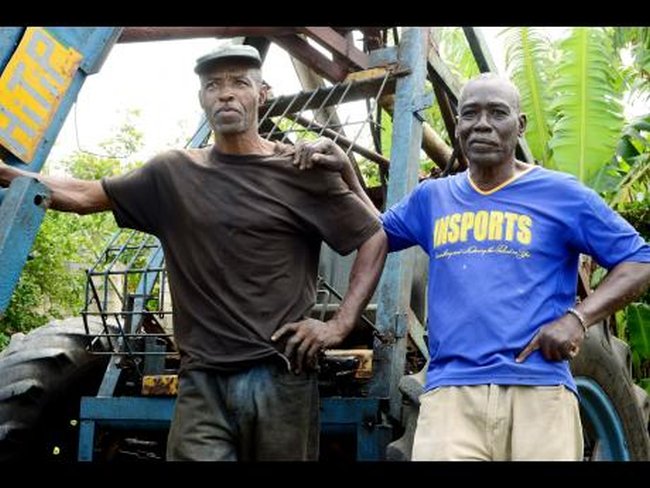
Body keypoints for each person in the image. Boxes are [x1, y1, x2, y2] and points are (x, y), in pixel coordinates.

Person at [0, 44, 388, 461]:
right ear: (201, 97)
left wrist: (339, 324)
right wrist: (7, 172)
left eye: (239, 83)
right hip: (201, 381)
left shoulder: (299, 171)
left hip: (281, 377)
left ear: (262, 94)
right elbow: (81, 194)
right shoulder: (172, 174)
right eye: (212, 85)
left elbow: (374, 236)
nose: (225, 94)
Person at [296, 73, 650, 461]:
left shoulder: (562, 194)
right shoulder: (433, 197)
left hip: (539, 390)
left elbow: (639, 261)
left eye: (497, 113)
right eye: (470, 114)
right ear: (459, 125)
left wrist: (578, 319)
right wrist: (347, 169)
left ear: (520, 125)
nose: (482, 124)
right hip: (450, 395)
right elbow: (374, 233)